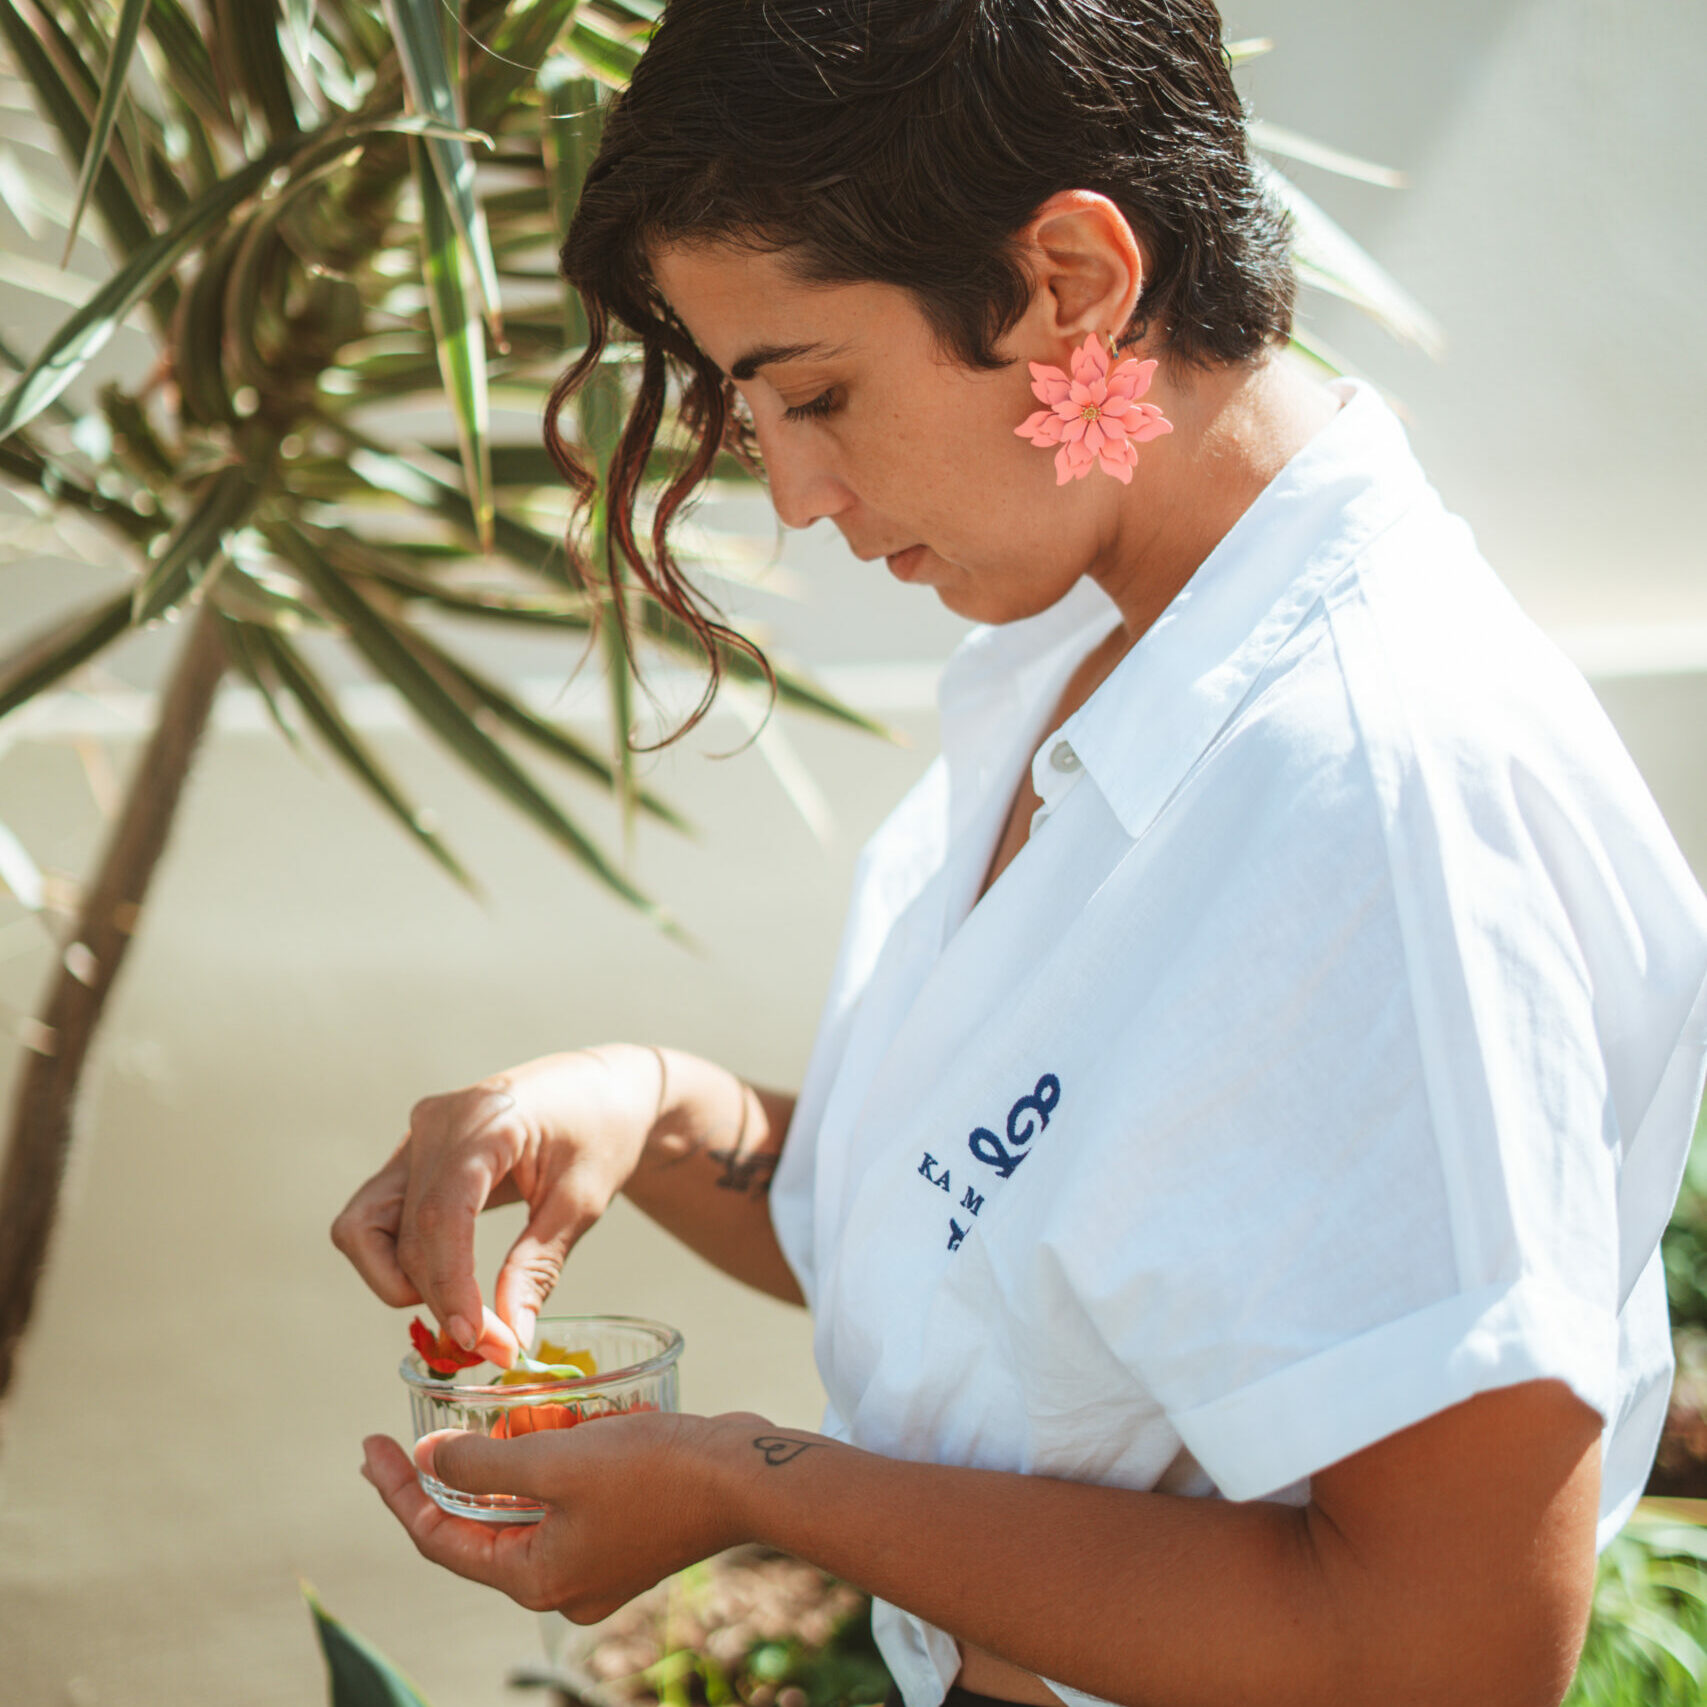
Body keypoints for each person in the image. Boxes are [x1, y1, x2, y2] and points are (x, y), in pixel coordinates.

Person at [332, 4, 1707, 1704]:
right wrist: (657, 1109)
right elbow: (1004, 1243)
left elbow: (1453, 1653)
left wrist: (753, 1485)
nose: (797, 494)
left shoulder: (1378, 790)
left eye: (816, 393)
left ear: (1071, 280)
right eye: (757, 412)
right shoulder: (1090, 654)